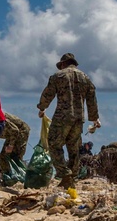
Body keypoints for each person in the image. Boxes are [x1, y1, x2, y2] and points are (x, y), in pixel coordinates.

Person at [37, 53, 100, 189]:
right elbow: (92, 99)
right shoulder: (85, 78)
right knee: (74, 149)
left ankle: (65, 175)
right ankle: (72, 178)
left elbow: (48, 94)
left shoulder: (58, 76)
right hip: (79, 119)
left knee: (53, 144)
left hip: (62, 116)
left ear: (63, 64)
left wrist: (42, 108)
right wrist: (94, 118)